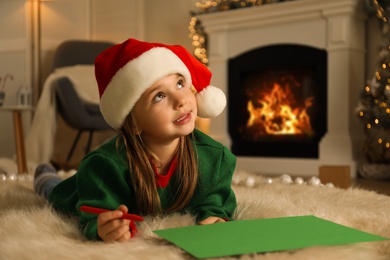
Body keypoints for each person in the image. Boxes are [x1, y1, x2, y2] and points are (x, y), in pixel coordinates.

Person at [34, 38, 237, 243]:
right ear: (134, 124)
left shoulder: (214, 157)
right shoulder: (104, 167)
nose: (181, 100)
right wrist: (102, 227)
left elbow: (216, 201)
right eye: (159, 96)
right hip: (78, 191)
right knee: (55, 192)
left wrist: (214, 215)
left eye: (180, 83)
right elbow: (95, 215)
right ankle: (45, 176)